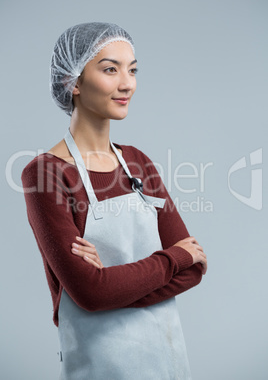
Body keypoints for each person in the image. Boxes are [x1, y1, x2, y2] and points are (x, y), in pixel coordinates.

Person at [21, 22, 207, 380]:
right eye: (110, 69)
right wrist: (174, 257)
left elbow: (194, 270)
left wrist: (110, 285)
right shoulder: (45, 174)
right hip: (101, 367)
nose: (127, 84)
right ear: (72, 82)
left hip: (169, 361)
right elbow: (91, 292)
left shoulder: (138, 161)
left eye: (133, 70)